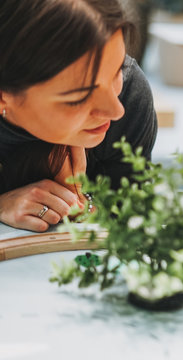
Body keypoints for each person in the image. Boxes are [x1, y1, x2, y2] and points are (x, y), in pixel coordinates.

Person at [0, 0, 157, 232]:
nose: (116, 111)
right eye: (80, 97)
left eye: (116, 73)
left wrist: (88, 208)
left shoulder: (130, 95)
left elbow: (133, 222)